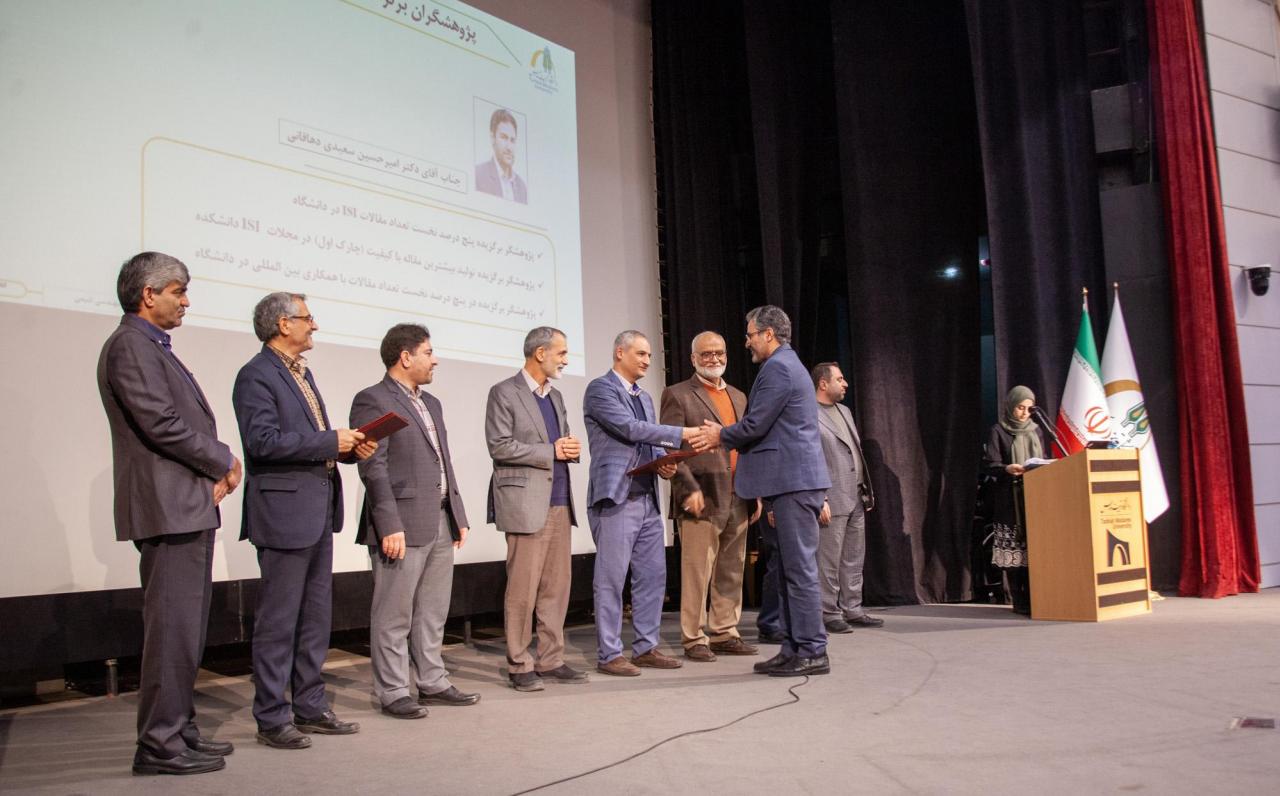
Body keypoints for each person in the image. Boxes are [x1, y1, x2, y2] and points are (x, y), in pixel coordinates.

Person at [97, 252, 241, 776]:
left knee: (186, 632)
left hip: (186, 507)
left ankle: (179, 730)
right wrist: (222, 459)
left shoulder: (151, 345)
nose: (186, 301)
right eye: (178, 291)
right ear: (147, 294)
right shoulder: (130, 346)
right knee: (171, 633)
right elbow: (161, 424)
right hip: (168, 508)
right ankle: (159, 745)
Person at [232, 292, 376, 750]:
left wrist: (349, 449)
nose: (313, 326)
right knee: (279, 622)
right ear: (282, 324)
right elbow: (262, 442)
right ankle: (272, 717)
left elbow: (312, 442)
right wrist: (331, 441)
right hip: (283, 515)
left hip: (316, 511)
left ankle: (310, 707)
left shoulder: (302, 373)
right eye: (307, 318)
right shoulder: (256, 375)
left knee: (315, 619)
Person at [350, 324, 478, 719]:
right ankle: (392, 690)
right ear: (405, 357)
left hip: (439, 517)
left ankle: (432, 680)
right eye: (428, 352)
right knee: (394, 613)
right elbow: (373, 466)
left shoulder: (432, 403)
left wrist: (457, 513)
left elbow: (443, 461)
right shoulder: (373, 399)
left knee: (433, 610)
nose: (435, 359)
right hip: (401, 523)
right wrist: (388, 524)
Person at [701, 306, 832, 677]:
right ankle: (793, 648)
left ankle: (812, 650)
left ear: (768, 334)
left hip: (793, 483)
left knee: (799, 571)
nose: (747, 342)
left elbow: (756, 425)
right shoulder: (785, 365)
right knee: (790, 571)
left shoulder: (779, 368)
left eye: (750, 335)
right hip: (787, 483)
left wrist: (720, 435)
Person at [582, 330, 710, 676]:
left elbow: (649, 441)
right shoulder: (600, 389)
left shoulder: (646, 397)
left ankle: (645, 648)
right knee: (611, 579)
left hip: (647, 497)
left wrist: (664, 464)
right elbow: (629, 428)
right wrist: (682, 433)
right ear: (619, 352)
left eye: (650, 355)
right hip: (617, 496)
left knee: (653, 576)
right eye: (640, 354)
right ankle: (609, 654)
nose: (647, 361)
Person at [485, 326, 589, 692]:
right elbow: (499, 446)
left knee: (555, 589)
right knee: (523, 591)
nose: (566, 360)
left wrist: (569, 449)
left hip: (559, 500)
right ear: (540, 353)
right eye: (561, 353)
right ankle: (519, 663)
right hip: (525, 504)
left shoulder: (555, 396)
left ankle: (551, 659)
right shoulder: (504, 392)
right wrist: (552, 451)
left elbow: (558, 442)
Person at [659, 332, 761, 662]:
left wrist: (755, 492)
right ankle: (693, 638)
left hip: (738, 494)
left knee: (731, 569)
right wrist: (688, 489)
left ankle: (725, 632)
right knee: (697, 572)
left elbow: (747, 445)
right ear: (693, 359)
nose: (713, 358)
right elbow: (669, 449)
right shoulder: (677, 394)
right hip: (700, 497)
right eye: (705, 354)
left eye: (719, 352)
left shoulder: (739, 396)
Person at [812, 362, 882, 633]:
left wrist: (865, 489)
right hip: (831, 496)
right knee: (829, 559)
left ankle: (853, 608)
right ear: (823, 383)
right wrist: (820, 498)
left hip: (855, 494)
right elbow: (811, 458)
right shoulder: (808, 414)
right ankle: (828, 612)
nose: (845, 384)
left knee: (854, 557)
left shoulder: (845, 411)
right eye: (839, 379)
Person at [982, 385, 1045, 615]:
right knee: (1015, 551)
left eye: (1029, 408)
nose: (1025, 413)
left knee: (1035, 549)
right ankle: (1019, 600)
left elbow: (1043, 459)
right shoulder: (998, 431)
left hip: (1037, 497)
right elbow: (990, 465)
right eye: (1020, 407)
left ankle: (1039, 596)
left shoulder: (1037, 431)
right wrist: (1007, 468)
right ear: (1010, 406)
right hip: (1010, 500)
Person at [475, 108, 528, 203]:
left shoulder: (522, 187)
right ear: (492, 138)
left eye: (512, 140)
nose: (509, 147)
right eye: (504, 138)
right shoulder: (478, 175)